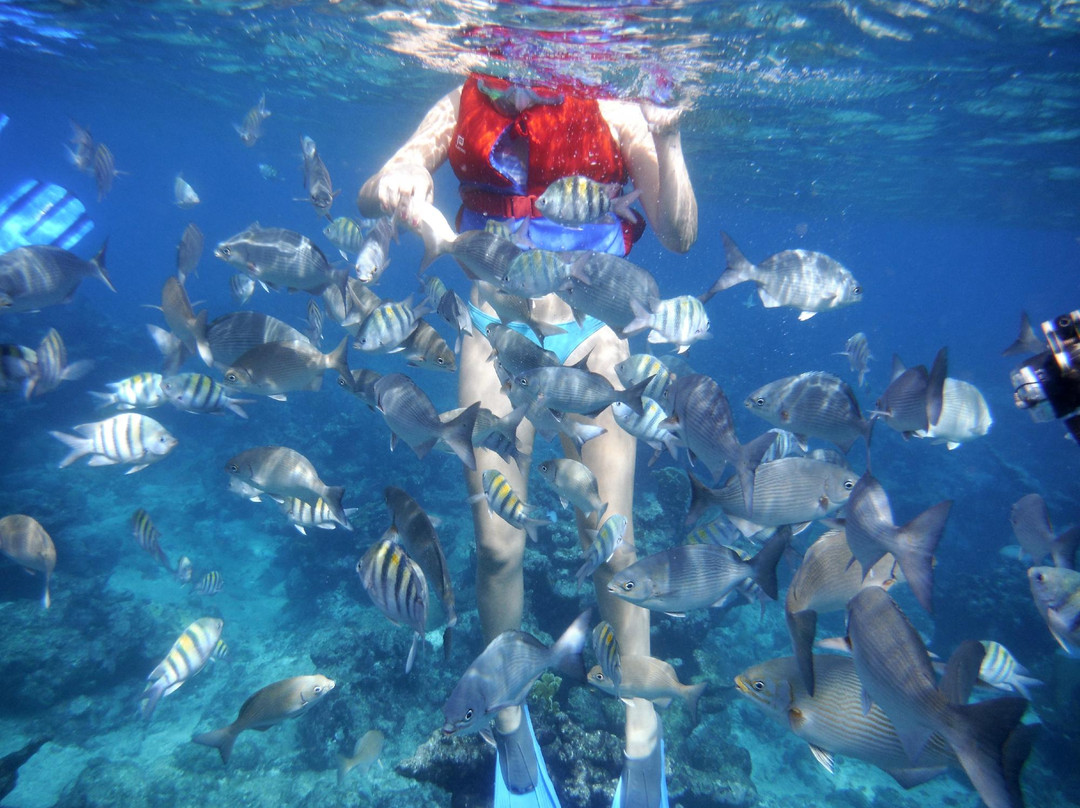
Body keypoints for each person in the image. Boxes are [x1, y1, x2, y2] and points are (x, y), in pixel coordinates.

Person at [358, 72, 698, 808]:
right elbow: (374, 188)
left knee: (611, 537)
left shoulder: (616, 107)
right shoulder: (464, 97)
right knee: (495, 542)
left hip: (593, 338)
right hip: (494, 326)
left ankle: (643, 728)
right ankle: (507, 713)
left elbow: (678, 233)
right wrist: (401, 176)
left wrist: (668, 138)